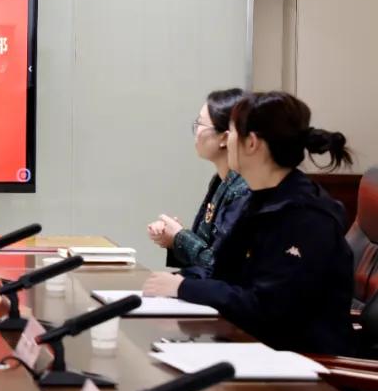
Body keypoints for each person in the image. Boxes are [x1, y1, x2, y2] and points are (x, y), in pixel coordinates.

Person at [143, 91, 354, 355]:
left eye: (231, 132)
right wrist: (177, 282)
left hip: (300, 363)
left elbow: (267, 307)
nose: (227, 140)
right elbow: (222, 271)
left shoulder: (305, 216)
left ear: (251, 143)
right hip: (251, 345)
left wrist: (184, 288)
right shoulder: (259, 198)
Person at [146, 89, 250, 275]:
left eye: (200, 124)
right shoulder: (220, 181)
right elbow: (204, 249)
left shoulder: (244, 189)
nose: (196, 131)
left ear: (225, 137)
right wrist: (173, 238)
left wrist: (180, 237)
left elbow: (219, 265)